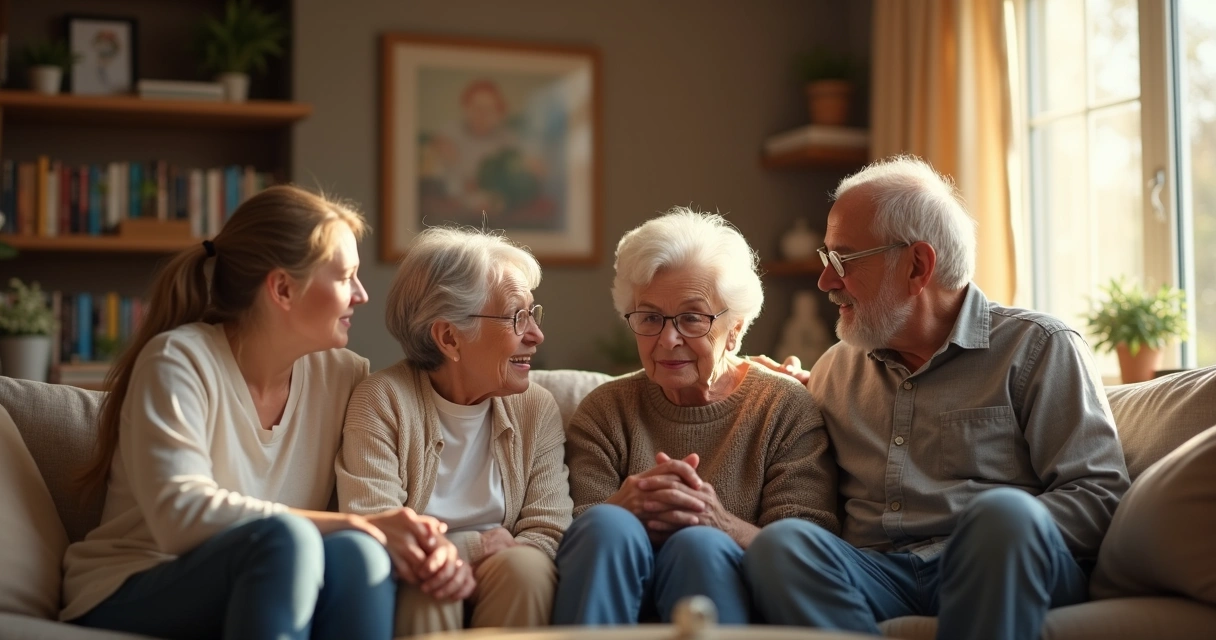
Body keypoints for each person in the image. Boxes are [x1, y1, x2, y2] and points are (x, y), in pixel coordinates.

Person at [745, 156, 1130, 640]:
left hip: (998, 564)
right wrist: (771, 393)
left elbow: (1099, 496)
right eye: (826, 259)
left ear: (917, 265)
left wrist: (985, 532)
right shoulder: (836, 368)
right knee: (782, 546)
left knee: (1003, 515)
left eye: (842, 259)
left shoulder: (1038, 348)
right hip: (881, 573)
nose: (826, 281)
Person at [62, 185, 441, 640]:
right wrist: (350, 523)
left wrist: (444, 547)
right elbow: (180, 517)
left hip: (271, 576)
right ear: (282, 288)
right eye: (345, 277)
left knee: (361, 554)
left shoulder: (344, 376)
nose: (361, 294)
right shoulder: (178, 360)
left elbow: (380, 487)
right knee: (288, 539)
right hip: (134, 583)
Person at [553, 207, 838, 625]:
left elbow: (803, 552)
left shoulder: (782, 407)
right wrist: (623, 505)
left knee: (699, 544)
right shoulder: (606, 410)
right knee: (607, 524)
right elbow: (576, 537)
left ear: (736, 329)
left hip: (728, 589)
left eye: (691, 318)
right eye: (650, 317)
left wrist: (719, 522)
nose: (668, 339)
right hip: (623, 592)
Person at [336, 226, 572, 636]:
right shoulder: (382, 401)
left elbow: (549, 529)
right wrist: (471, 549)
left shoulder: (536, 407)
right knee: (431, 586)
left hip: (509, 572)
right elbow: (375, 527)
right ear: (449, 337)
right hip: (420, 577)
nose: (536, 335)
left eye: (533, 315)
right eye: (518, 317)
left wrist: (498, 551)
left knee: (525, 567)